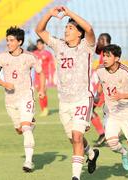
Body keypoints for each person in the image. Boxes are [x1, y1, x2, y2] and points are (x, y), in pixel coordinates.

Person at [35, 5, 99, 180]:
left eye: (70, 28)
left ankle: (75, 177)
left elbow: (90, 29)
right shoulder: (59, 46)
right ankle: (91, 153)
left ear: (79, 33)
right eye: (66, 27)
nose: (66, 30)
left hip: (82, 99)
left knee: (77, 136)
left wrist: (69, 13)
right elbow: (39, 30)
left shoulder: (87, 46)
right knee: (74, 138)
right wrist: (49, 14)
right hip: (64, 101)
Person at [0, 26, 46, 173]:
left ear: (19, 41)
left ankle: (28, 162)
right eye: (7, 40)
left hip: (26, 96)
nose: (8, 43)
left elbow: (41, 73)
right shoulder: (2, 57)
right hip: (10, 100)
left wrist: (41, 89)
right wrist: (4, 84)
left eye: (11, 40)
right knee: (19, 129)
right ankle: (29, 123)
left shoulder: (29, 57)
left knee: (26, 127)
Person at [96, 44, 128, 180]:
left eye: (108, 56)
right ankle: (123, 153)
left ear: (116, 58)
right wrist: (98, 95)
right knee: (112, 143)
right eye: (104, 55)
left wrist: (122, 96)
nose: (104, 58)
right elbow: (102, 83)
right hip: (111, 113)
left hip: (127, 112)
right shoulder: (99, 70)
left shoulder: (126, 71)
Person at [91, 33, 111, 147]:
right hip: (103, 87)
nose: (98, 41)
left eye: (99, 39)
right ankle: (108, 137)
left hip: (103, 88)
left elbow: (105, 73)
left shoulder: (107, 54)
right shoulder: (105, 52)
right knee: (109, 113)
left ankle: (104, 135)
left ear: (104, 40)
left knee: (90, 111)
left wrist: (98, 91)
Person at [32, 39, 55, 116]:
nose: (39, 46)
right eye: (37, 44)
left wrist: (51, 75)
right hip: (37, 76)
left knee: (43, 91)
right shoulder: (34, 53)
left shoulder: (48, 53)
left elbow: (52, 64)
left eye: (40, 44)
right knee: (39, 92)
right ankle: (43, 109)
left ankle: (45, 109)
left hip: (45, 76)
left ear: (43, 45)